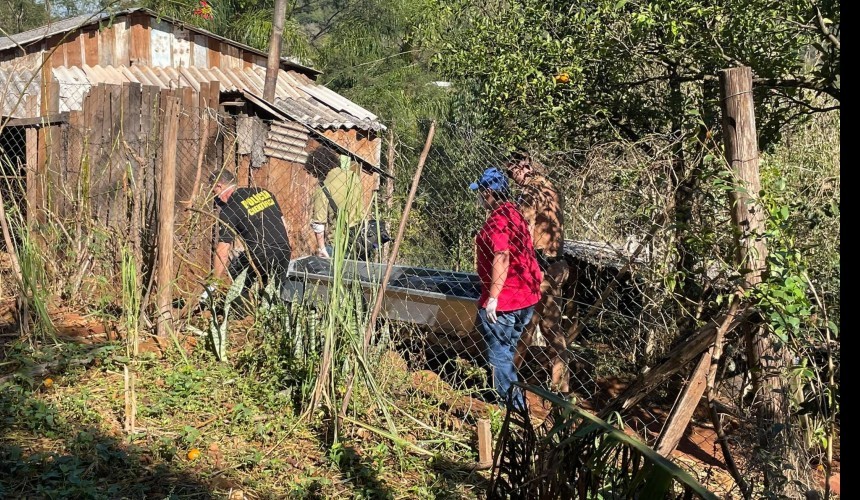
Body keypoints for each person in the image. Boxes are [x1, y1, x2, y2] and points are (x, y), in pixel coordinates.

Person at [470, 166, 542, 409]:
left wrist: (493, 298)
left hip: (506, 299)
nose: (479, 197)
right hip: (526, 296)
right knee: (508, 348)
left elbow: (502, 256)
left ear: (489, 192)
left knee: (499, 354)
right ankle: (511, 396)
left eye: (481, 192)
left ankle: (513, 407)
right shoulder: (514, 213)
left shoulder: (497, 221)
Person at [506, 150, 572, 394]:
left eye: (512, 170)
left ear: (524, 165)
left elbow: (522, 227)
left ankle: (506, 383)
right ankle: (561, 386)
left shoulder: (531, 191)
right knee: (551, 327)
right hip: (557, 265)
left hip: (540, 268)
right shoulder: (550, 188)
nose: (511, 176)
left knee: (526, 324)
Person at [203, 169, 292, 302]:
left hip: (261, 253)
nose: (214, 196)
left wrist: (213, 284)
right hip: (284, 249)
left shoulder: (230, 209)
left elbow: (222, 251)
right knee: (275, 290)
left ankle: (240, 309)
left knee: (236, 269)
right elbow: (286, 227)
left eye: (214, 191)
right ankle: (270, 309)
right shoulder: (263, 192)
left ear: (219, 186)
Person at [310, 155, 371, 259]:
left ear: (317, 169)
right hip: (361, 240)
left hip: (338, 244)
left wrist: (321, 249)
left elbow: (319, 224)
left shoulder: (323, 186)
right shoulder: (354, 177)